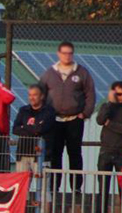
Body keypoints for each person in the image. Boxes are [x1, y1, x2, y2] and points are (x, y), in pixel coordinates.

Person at [38, 41, 96, 193]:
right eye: (64, 53)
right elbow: (40, 94)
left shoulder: (82, 72)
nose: (67, 56)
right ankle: (54, 187)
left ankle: (76, 187)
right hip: (55, 121)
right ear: (58, 54)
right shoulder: (49, 73)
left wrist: (85, 113)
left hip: (74, 120)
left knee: (75, 153)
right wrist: (44, 115)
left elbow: (90, 93)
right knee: (55, 154)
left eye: (70, 53)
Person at [96, 81, 122, 213]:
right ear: (113, 93)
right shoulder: (106, 107)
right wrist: (110, 103)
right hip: (106, 151)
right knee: (103, 188)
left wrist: (111, 124)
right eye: (119, 94)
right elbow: (100, 120)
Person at [12, 84, 55, 173]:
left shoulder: (49, 111)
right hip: (23, 153)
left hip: (41, 155)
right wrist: (34, 129)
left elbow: (41, 129)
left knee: (43, 185)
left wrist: (24, 127)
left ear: (42, 96)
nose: (32, 98)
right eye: (30, 95)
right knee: (23, 185)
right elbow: (15, 129)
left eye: (35, 95)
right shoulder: (23, 110)